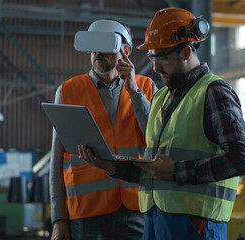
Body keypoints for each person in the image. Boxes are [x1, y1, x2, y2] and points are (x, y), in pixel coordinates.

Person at [78, 8, 245, 240]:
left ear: (185, 52)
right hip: (156, 220)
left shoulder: (214, 92)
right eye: (152, 57)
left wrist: (177, 170)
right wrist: (110, 166)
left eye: (162, 57)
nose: (155, 67)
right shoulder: (162, 97)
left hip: (196, 223)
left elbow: (243, 158)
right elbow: (155, 169)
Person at [50, 19, 158, 240]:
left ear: (125, 51)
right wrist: (58, 220)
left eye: (106, 45)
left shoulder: (147, 87)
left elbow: (156, 139)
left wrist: (135, 93)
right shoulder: (67, 91)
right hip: (86, 212)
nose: (98, 52)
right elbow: (57, 161)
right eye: (94, 45)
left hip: (136, 207)